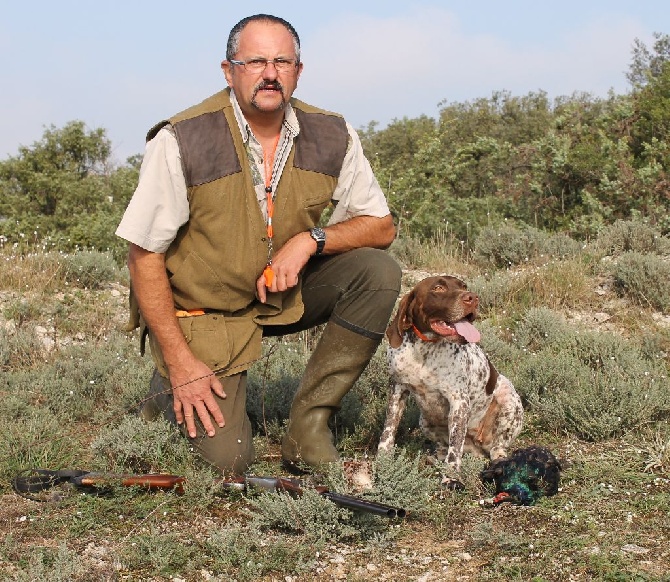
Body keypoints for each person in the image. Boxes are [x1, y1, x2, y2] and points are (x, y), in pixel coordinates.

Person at [116, 14, 401, 475]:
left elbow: (380, 226)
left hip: (282, 295)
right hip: (206, 314)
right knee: (229, 464)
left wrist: (313, 239)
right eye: (255, 61)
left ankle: (308, 428)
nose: (270, 73)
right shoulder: (181, 139)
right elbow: (143, 254)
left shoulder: (333, 133)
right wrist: (181, 360)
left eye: (282, 61)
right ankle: (167, 390)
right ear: (229, 70)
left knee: (377, 272)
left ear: (298, 71)